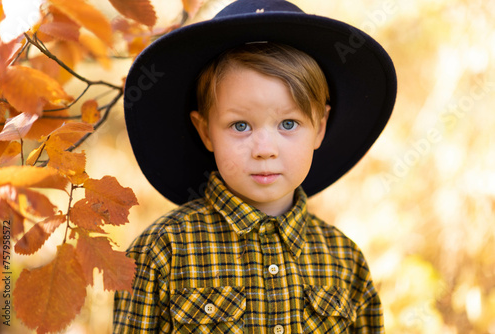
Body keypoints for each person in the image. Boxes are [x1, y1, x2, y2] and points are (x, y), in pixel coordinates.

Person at [114, 0, 397, 333]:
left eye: (288, 124)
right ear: (206, 131)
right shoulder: (162, 252)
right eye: (240, 126)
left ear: (319, 128)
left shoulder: (344, 260)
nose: (265, 150)